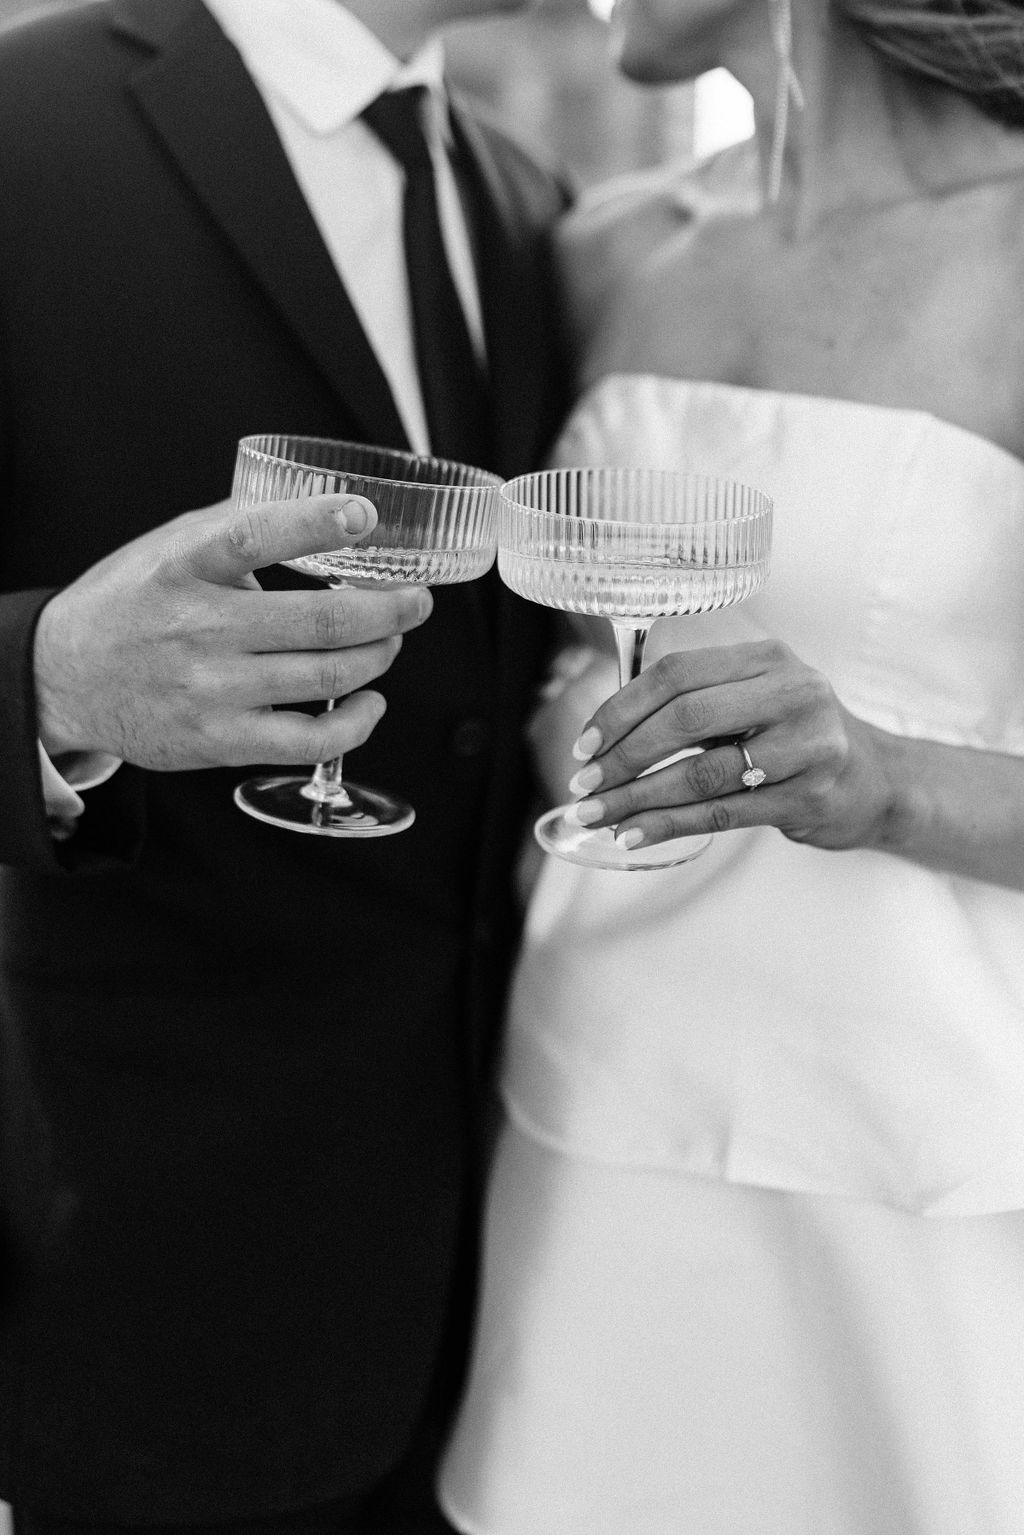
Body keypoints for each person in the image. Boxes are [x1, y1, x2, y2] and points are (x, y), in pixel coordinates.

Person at [439, 0, 1024, 1530]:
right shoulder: (602, 245)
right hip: (590, 1103)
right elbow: (548, 656)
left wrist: (887, 780)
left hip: (923, 1158)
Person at [0, 0, 570, 1530]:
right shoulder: (24, 121)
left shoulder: (523, 200)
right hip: (128, 1273)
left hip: (492, 1312)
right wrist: (44, 676)